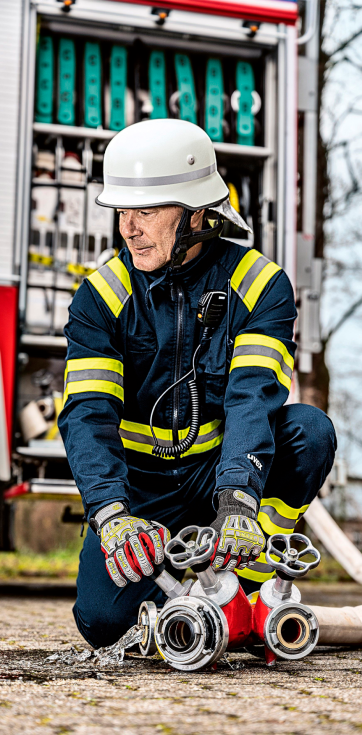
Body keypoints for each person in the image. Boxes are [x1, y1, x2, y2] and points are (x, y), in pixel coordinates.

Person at [58, 119, 336, 648]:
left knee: (309, 430)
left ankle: (245, 586)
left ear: (196, 213)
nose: (128, 229)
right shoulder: (101, 296)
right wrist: (112, 515)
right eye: (122, 211)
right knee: (102, 622)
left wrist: (237, 502)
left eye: (145, 211)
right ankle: (187, 598)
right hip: (141, 491)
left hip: (218, 476)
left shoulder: (259, 286)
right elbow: (87, 412)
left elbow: (252, 396)